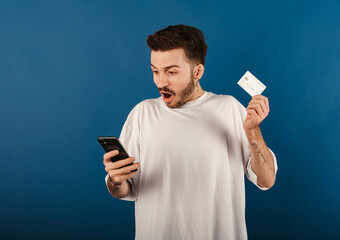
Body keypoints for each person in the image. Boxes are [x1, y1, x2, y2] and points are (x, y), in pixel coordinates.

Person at [103, 24, 278, 240]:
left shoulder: (229, 108)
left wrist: (252, 131)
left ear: (197, 71)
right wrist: (115, 180)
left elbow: (267, 180)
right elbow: (125, 190)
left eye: (171, 72)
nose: (160, 82)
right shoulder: (142, 113)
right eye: (155, 71)